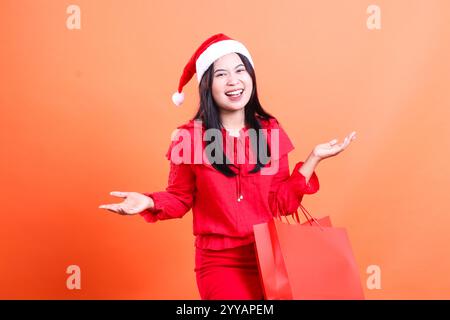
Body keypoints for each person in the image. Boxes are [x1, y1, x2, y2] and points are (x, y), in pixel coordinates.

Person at [99, 33, 356, 300]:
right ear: (207, 85)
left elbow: (281, 204)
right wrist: (147, 201)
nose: (233, 81)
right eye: (221, 74)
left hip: (272, 256)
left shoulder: (268, 132)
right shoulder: (190, 137)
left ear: (251, 77)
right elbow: (179, 197)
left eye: (240, 70)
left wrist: (313, 159)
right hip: (219, 262)